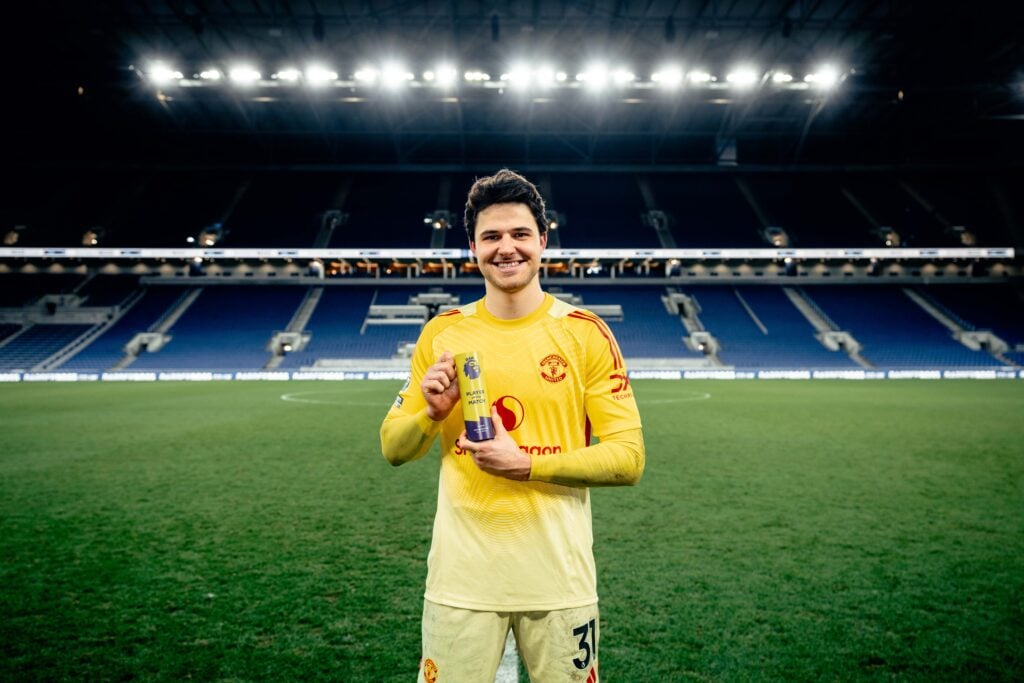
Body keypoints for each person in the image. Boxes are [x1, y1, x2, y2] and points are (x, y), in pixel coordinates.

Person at [380, 169, 645, 683]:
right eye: (492, 236)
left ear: (543, 240)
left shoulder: (584, 333)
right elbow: (393, 446)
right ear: (473, 248)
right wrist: (431, 414)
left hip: (559, 582)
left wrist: (525, 464)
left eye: (520, 234)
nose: (507, 248)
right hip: (461, 584)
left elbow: (628, 457)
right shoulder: (443, 333)